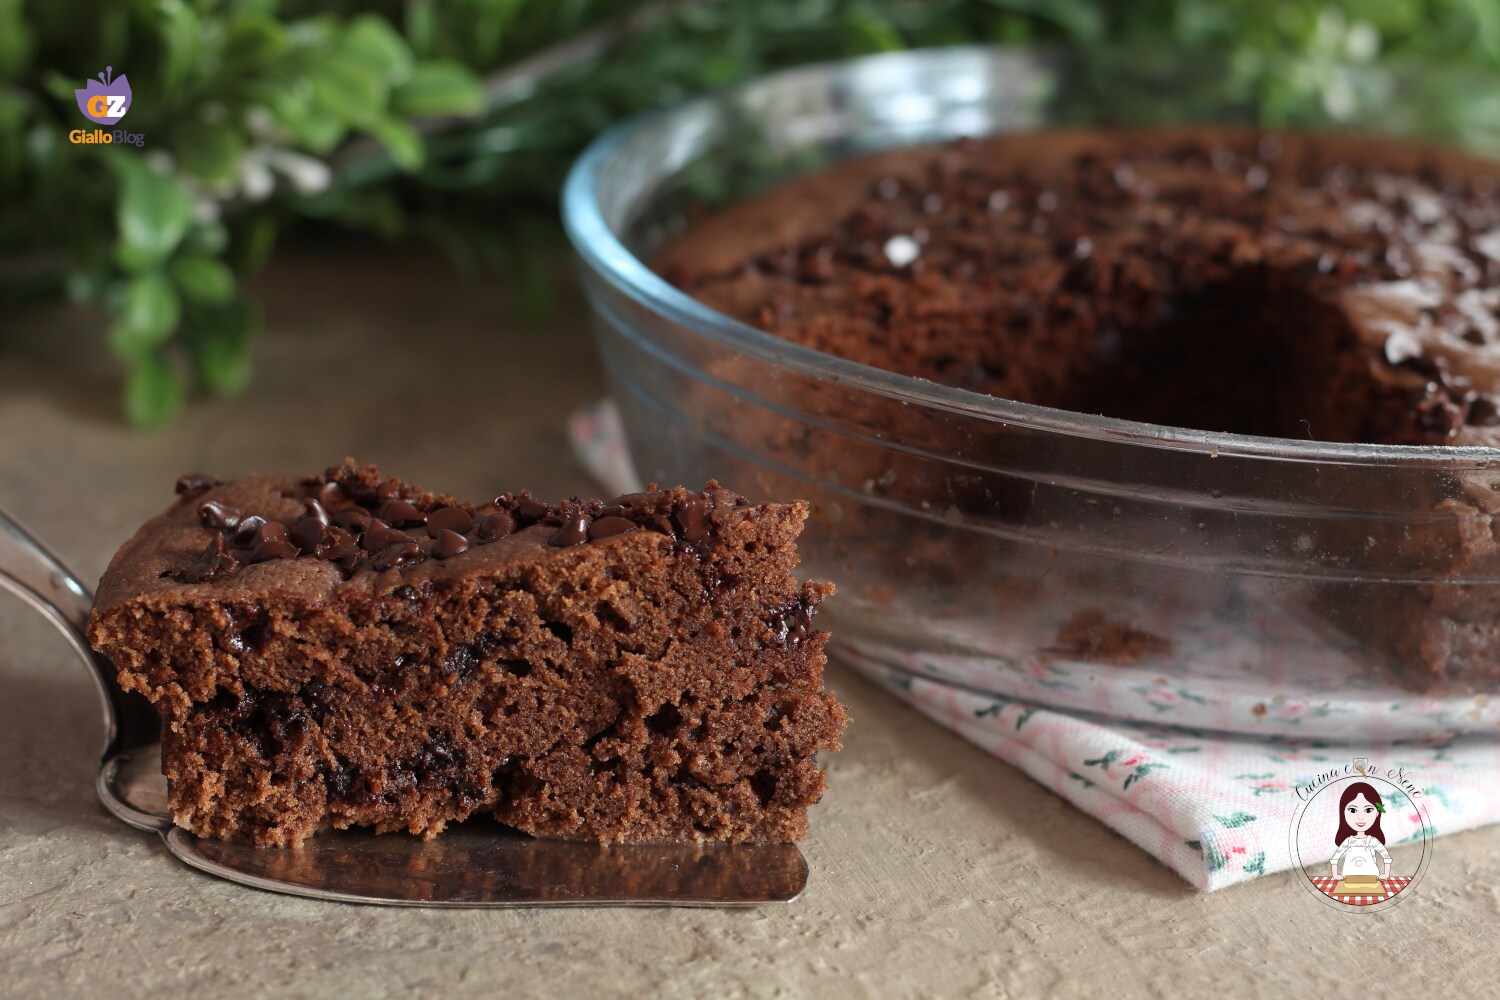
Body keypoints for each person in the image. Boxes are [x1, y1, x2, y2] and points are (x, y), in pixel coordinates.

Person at [1329, 781, 1392, 894]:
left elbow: (1386, 856)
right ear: (1343, 812)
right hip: (1350, 878)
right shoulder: (1348, 841)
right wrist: (1336, 875)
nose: (1361, 817)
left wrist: (1386, 874)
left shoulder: (1372, 841)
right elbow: (1335, 857)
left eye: (1368, 810)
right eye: (1352, 810)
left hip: (1371, 878)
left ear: (1377, 813)